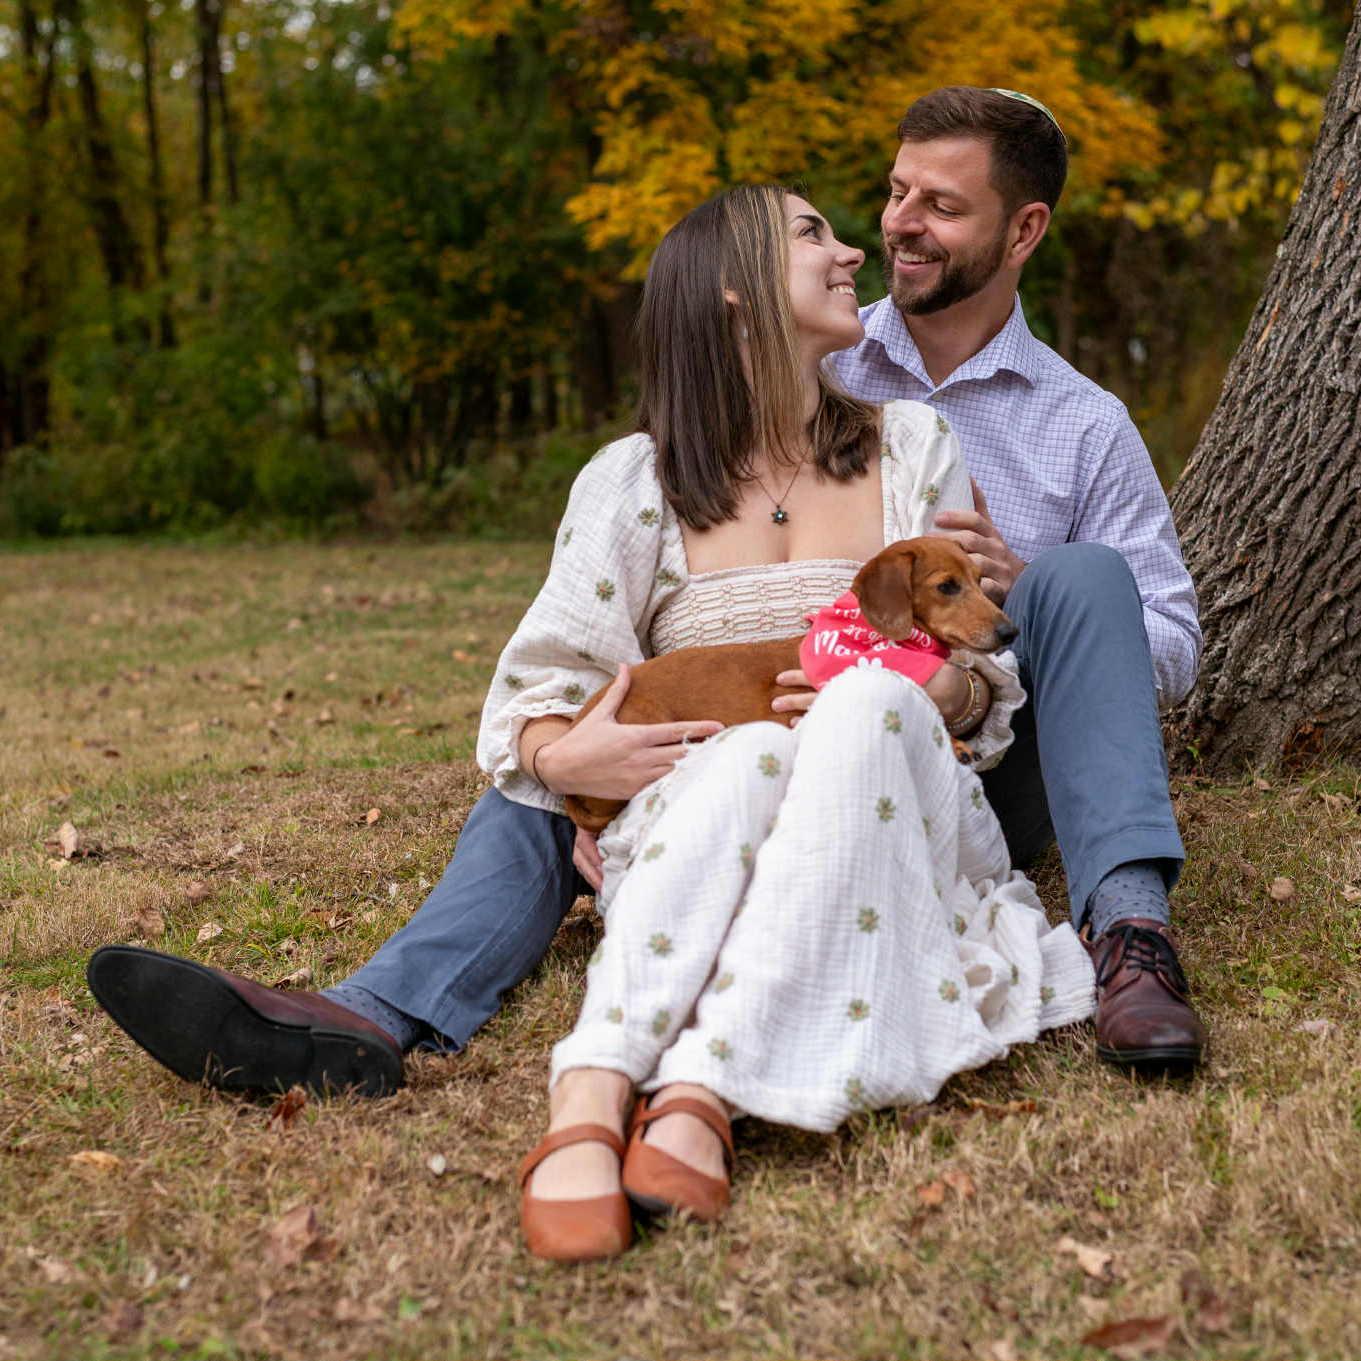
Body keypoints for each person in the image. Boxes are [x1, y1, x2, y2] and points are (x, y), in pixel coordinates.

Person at [86, 85, 1204, 1108]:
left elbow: (1133, 641)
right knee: (561, 754)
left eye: (937, 206)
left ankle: (1130, 932)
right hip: (704, 771)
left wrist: (978, 644)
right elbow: (560, 662)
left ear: (1021, 231)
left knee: (1078, 581)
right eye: (877, 201)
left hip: (916, 762)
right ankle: (365, 1017)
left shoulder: (998, 432)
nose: (882, 234)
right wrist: (569, 766)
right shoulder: (731, 421)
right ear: (741, 297)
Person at [502, 183, 1094, 1262]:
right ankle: (592, 1089)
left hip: (894, 789)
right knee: (753, 751)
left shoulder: (911, 443)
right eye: (813, 234)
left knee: (866, 696)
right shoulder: (633, 479)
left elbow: (978, 680)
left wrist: (936, 690)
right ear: (732, 291)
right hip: (704, 803)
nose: (852, 251)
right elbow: (538, 686)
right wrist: (560, 752)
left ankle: (703, 1077)